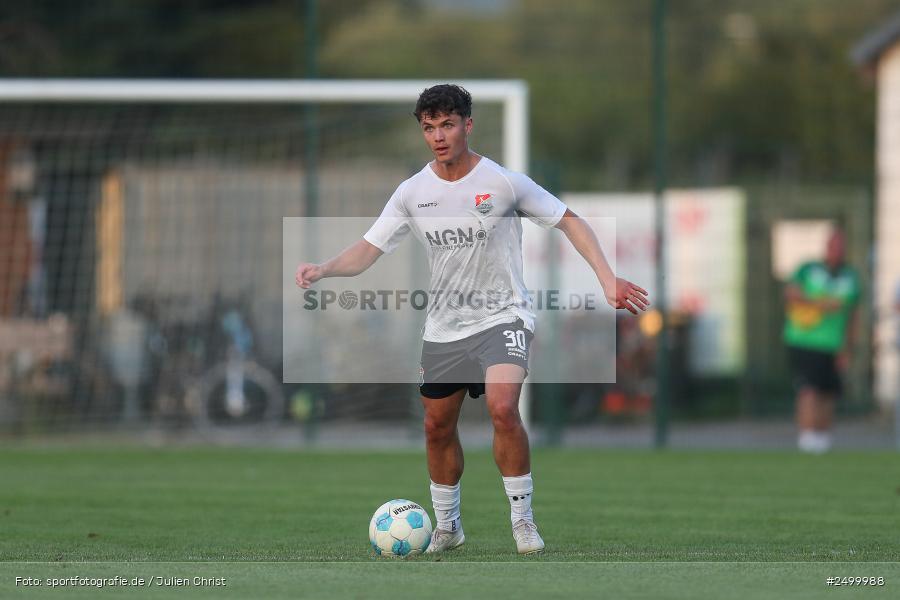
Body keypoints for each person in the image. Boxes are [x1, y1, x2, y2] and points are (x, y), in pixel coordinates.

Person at [295, 84, 648, 554]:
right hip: (445, 327)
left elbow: (569, 220)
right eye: (429, 127)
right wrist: (324, 269)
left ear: (467, 125)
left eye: (447, 124)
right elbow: (369, 249)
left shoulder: (503, 182)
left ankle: (522, 521)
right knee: (436, 427)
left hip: (505, 316)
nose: (438, 136)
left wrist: (607, 279)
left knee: (503, 408)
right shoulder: (411, 193)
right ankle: (447, 526)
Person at [783, 227, 860, 454]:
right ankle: (807, 440)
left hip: (833, 344)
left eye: (841, 245)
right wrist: (821, 305)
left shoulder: (851, 276)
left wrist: (848, 347)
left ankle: (822, 440)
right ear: (826, 247)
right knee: (809, 390)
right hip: (805, 340)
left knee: (828, 392)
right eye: (833, 245)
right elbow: (791, 294)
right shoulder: (808, 269)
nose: (837, 250)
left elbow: (853, 315)